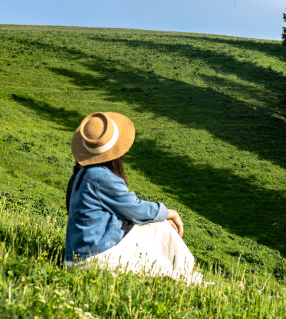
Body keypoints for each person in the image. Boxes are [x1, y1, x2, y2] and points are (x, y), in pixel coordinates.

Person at [64, 111, 202, 284]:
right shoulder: (101, 177)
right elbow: (135, 209)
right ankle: (186, 275)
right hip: (92, 260)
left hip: (75, 257)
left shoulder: (82, 173)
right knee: (159, 226)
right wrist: (169, 212)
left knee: (153, 225)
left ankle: (181, 274)